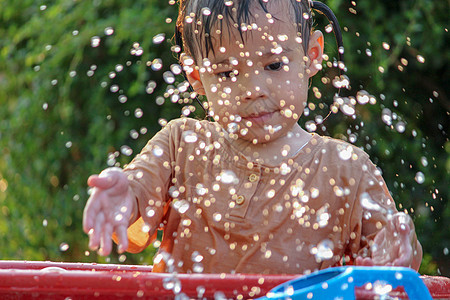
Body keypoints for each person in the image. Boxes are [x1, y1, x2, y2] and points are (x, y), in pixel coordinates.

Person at [83, 0, 422, 274]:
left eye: (274, 65)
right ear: (197, 77)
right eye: (227, 73)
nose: (252, 89)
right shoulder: (181, 144)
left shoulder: (346, 170)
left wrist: (397, 255)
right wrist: (122, 198)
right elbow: (135, 203)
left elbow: (393, 267)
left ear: (312, 55)